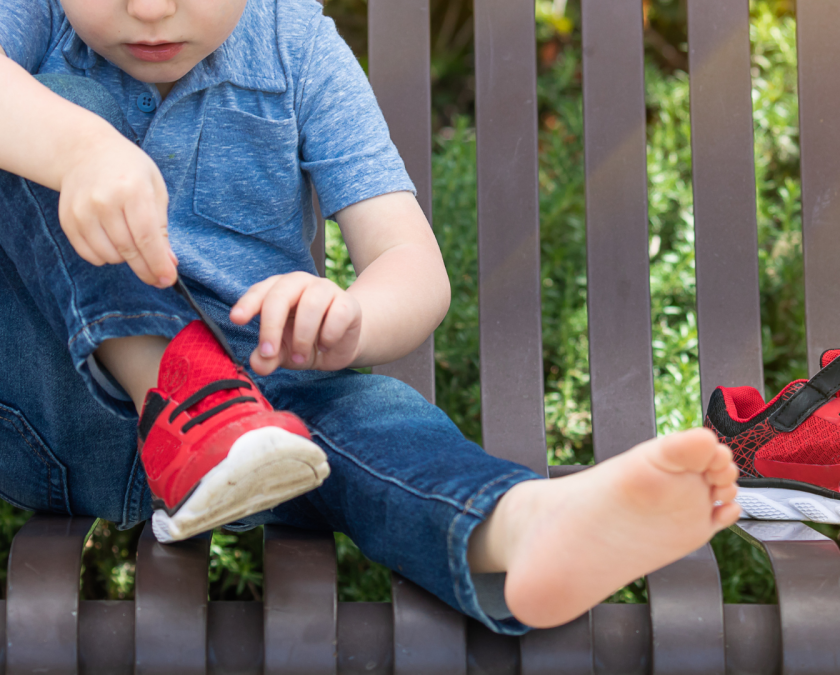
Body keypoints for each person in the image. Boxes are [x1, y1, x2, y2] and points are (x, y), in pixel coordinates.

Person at [0, 0, 741, 632]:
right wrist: (80, 149)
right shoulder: (35, 18)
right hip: (52, 408)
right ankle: (177, 388)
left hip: (259, 430)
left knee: (378, 415)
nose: (151, 7)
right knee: (49, 108)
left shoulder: (294, 45)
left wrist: (352, 315)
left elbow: (409, 262)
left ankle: (520, 528)